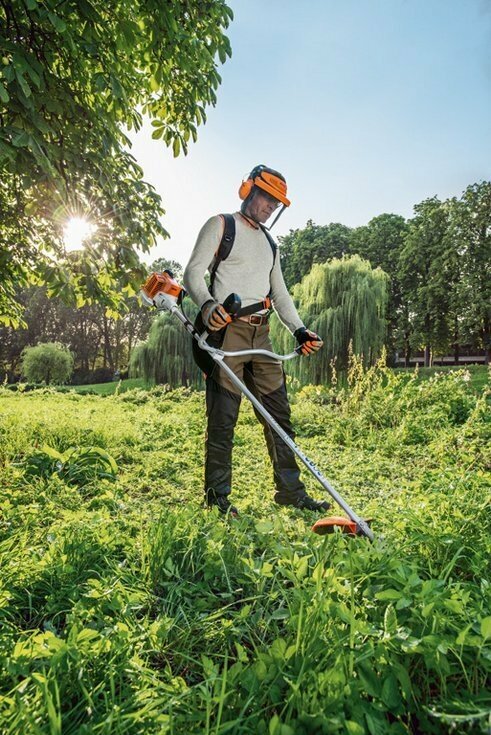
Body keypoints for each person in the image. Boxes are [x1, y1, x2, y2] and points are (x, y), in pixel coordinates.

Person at [183, 164, 330, 516]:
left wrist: (299, 330)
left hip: (260, 335)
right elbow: (192, 272)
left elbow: (279, 295)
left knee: (279, 415)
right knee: (223, 419)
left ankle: (291, 492)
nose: (270, 207)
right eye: (266, 198)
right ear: (248, 190)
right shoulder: (221, 225)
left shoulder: (270, 243)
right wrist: (207, 306)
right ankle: (217, 499)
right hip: (227, 330)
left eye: (276, 203)